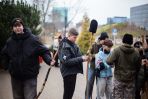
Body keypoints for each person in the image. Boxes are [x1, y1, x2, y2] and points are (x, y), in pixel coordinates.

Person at [0, 18, 55, 99]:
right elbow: (4, 54)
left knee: (30, 97)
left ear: (23, 26)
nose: (17, 28)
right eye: (15, 26)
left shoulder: (33, 39)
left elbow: (44, 51)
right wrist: (6, 66)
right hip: (15, 77)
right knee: (17, 97)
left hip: (30, 77)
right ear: (12, 28)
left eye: (19, 25)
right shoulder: (10, 42)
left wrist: (49, 60)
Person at [106, 33, 141, 99]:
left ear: (123, 40)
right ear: (131, 41)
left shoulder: (117, 50)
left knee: (118, 97)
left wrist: (114, 64)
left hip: (118, 79)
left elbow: (108, 61)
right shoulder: (136, 53)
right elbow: (139, 66)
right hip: (130, 80)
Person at [58, 28, 89, 99]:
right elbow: (67, 61)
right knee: (67, 94)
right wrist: (81, 58)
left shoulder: (73, 44)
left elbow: (77, 56)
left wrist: (85, 57)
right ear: (69, 35)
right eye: (74, 37)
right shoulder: (65, 46)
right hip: (68, 73)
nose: (76, 39)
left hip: (73, 72)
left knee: (70, 93)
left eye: (76, 37)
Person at [85, 32, 109, 99]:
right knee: (89, 84)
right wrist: (95, 56)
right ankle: (87, 97)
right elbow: (88, 55)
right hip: (92, 67)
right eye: (105, 39)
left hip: (100, 70)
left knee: (100, 86)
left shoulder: (105, 46)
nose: (106, 41)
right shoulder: (94, 45)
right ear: (102, 39)